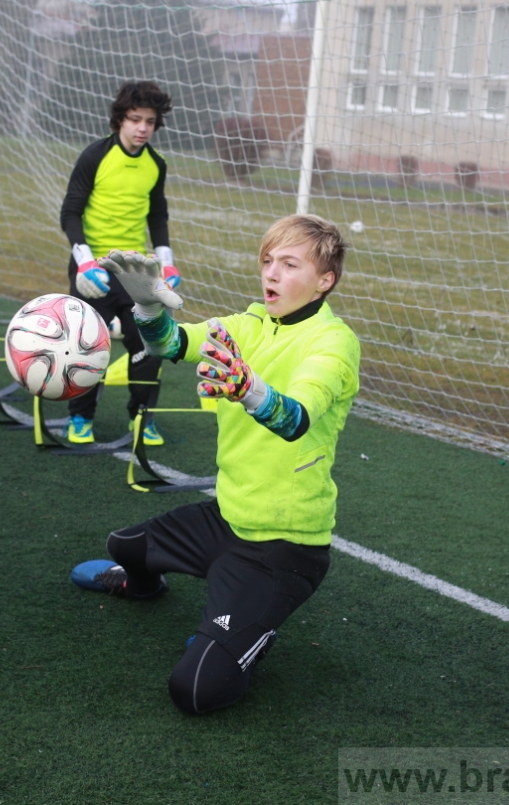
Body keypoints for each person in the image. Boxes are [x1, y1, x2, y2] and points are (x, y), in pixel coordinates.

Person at [71, 215, 360, 714]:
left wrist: (250, 391)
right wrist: (144, 306)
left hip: (283, 547)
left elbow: (296, 418)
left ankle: (251, 635)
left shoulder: (333, 343)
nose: (271, 273)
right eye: (267, 261)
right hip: (226, 518)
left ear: (324, 280)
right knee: (125, 545)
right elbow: (168, 343)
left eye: (289, 264)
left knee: (197, 692)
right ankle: (144, 586)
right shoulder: (245, 326)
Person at [59, 80, 180, 446]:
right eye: (135, 119)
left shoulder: (156, 164)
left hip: (135, 271)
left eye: (149, 121)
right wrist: (83, 262)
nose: (142, 128)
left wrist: (167, 264)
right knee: (85, 345)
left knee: (150, 343)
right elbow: (70, 212)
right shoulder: (95, 156)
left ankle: (142, 418)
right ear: (120, 120)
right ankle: (80, 418)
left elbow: (157, 217)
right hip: (92, 269)